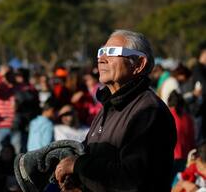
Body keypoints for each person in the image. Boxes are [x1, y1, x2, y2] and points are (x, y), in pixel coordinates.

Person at [55, 29, 177, 191]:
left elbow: (133, 178)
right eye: (102, 51)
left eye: (112, 52)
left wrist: (78, 165)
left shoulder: (148, 111)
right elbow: (96, 161)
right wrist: (77, 181)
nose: (102, 59)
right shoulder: (108, 106)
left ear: (139, 64)